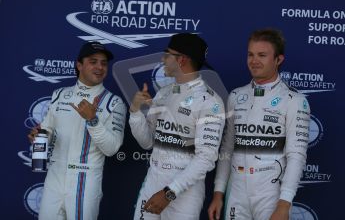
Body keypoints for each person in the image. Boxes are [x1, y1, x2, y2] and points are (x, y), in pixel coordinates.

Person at [208, 28, 311, 220]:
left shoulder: (294, 101)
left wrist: (284, 203)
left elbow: (296, 156)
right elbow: (227, 149)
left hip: (270, 193)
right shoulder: (236, 96)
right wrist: (218, 193)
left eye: (262, 55)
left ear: (279, 59)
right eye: (250, 54)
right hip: (236, 191)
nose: (254, 61)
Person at [129, 33, 225, 219]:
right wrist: (135, 111)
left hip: (184, 193)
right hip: (152, 183)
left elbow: (206, 158)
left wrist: (169, 193)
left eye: (167, 54)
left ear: (181, 60)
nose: (163, 59)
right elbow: (147, 142)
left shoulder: (210, 102)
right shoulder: (163, 94)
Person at [28, 41, 127, 220]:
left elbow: (112, 149)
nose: (99, 67)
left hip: (85, 180)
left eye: (103, 63)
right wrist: (38, 136)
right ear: (79, 65)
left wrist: (92, 120)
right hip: (54, 178)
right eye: (93, 61)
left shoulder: (114, 103)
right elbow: (47, 130)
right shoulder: (59, 94)